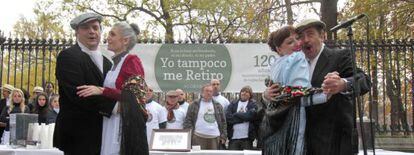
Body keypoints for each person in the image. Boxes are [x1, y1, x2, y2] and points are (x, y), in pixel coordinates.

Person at [265, 19, 371, 155]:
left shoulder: (339, 56)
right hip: (300, 143)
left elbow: (365, 81)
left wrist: (343, 84)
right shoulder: (292, 63)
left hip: (333, 143)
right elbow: (283, 98)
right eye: (301, 37)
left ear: (322, 36)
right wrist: (267, 95)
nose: (305, 40)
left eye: (310, 34)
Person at [76, 22, 146, 155]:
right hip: (110, 122)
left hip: (122, 126)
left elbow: (135, 95)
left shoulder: (132, 61)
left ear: (125, 40)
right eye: (108, 33)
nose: (107, 37)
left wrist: (102, 90)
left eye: (112, 34)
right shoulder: (114, 64)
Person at [53, 13, 116, 155]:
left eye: (95, 27)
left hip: (102, 135)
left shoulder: (108, 62)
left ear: (100, 31)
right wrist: (115, 107)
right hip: (77, 137)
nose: (92, 31)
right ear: (77, 32)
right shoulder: (68, 56)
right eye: (86, 28)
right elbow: (79, 94)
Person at [262, 25, 330, 155]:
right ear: (279, 49)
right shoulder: (297, 57)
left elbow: (280, 91)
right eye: (290, 42)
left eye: (297, 39)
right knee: (294, 147)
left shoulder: (276, 64)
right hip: (293, 115)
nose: (297, 43)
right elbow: (298, 93)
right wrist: (324, 95)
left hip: (275, 118)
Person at [183, 84, 227, 150]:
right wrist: (191, 135)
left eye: (211, 91)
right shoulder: (194, 104)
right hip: (198, 137)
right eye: (207, 91)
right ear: (202, 92)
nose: (209, 93)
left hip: (214, 137)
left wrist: (223, 136)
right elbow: (188, 120)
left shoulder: (218, 105)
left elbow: (223, 122)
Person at [226, 86, 257, 150]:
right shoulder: (233, 104)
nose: (244, 93)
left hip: (247, 139)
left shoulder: (253, 105)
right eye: (242, 91)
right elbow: (228, 118)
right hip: (233, 139)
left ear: (250, 95)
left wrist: (236, 115)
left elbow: (250, 116)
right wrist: (244, 119)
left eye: (247, 92)